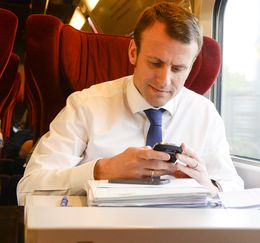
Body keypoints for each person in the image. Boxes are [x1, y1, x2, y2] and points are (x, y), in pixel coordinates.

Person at [17, 2, 244, 205]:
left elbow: (235, 190)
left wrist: (209, 186)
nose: (164, 81)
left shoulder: (204, 114)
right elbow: (27, 190)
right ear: (134, 53)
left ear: (192, 66)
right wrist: (100, 170)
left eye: (178, 69)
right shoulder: (85, 106)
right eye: (155, 63)